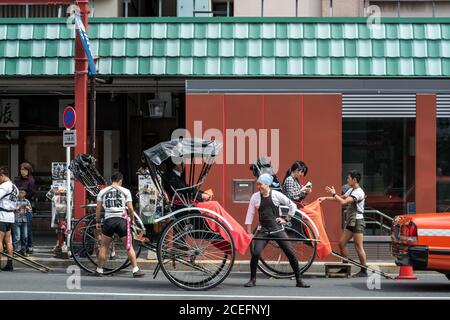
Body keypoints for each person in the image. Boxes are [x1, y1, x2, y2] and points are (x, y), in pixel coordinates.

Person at [244, 173, 310, 288]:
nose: (258, 186)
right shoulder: (255, 197)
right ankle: (252, 279)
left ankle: (299, 280)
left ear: (267, 184)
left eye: (261, 184)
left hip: (277, 229)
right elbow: (250, 213)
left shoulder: (276, 195)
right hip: (263, 230)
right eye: (258, 184)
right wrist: (249, 232)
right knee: (255, 253)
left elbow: (292, 205)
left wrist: (286, 219)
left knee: (290, 253)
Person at [318, 170, 368, 277]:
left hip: (358, 221)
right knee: (341, 243)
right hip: (351, 221)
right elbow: (341, 198)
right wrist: (326, 198)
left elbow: (344, 202)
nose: (347, 179)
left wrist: (334, 194)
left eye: (349, 178)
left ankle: (364, 270)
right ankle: (345, 267)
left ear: (354, 180)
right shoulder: (351, 190)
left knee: (358, 246)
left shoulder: (359, 192)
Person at [95, 172, 144, 278]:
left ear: (111, 180)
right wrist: (132, 220)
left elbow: (98, 208)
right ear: (120, 180)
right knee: (128, 246)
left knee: (104, 247)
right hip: (121, 221)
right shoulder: (126, 191)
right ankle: (135, 270)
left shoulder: (102, 191)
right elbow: (130, 208)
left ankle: (99, 270)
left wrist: (98, 221)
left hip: (108, 221)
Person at [0, 167, 19, 271]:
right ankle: (10, 264)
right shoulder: (15, 187)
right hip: (10, 216)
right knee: (8, 241)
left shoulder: (4, 186)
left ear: (2, 176)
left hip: (2, 215)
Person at [14, 162, 35, 254]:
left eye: (25, 170)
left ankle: (29, 246)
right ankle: (18, 248)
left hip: (26, 205)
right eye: (22, 169)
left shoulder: (31, 180)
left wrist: (23, 194)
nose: (23, 172)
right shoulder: (17, 179)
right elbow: (14, 191)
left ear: (28, 170)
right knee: (17, 229)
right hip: (17, 205)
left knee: (28, 227)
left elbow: (31, 193)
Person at [13, 189, 31, 256]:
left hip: (24, 220)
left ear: (25, 193)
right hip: (16, 220)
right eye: (20, 192)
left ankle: (23, 251)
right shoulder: (15, 200)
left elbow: (30, 210)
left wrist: (28, 209)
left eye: (22, 193)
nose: (21, 194)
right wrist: (17, 208)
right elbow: (11, 209)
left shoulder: (26, 201)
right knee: (17, 237)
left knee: (25, 237)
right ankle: (16, 251)